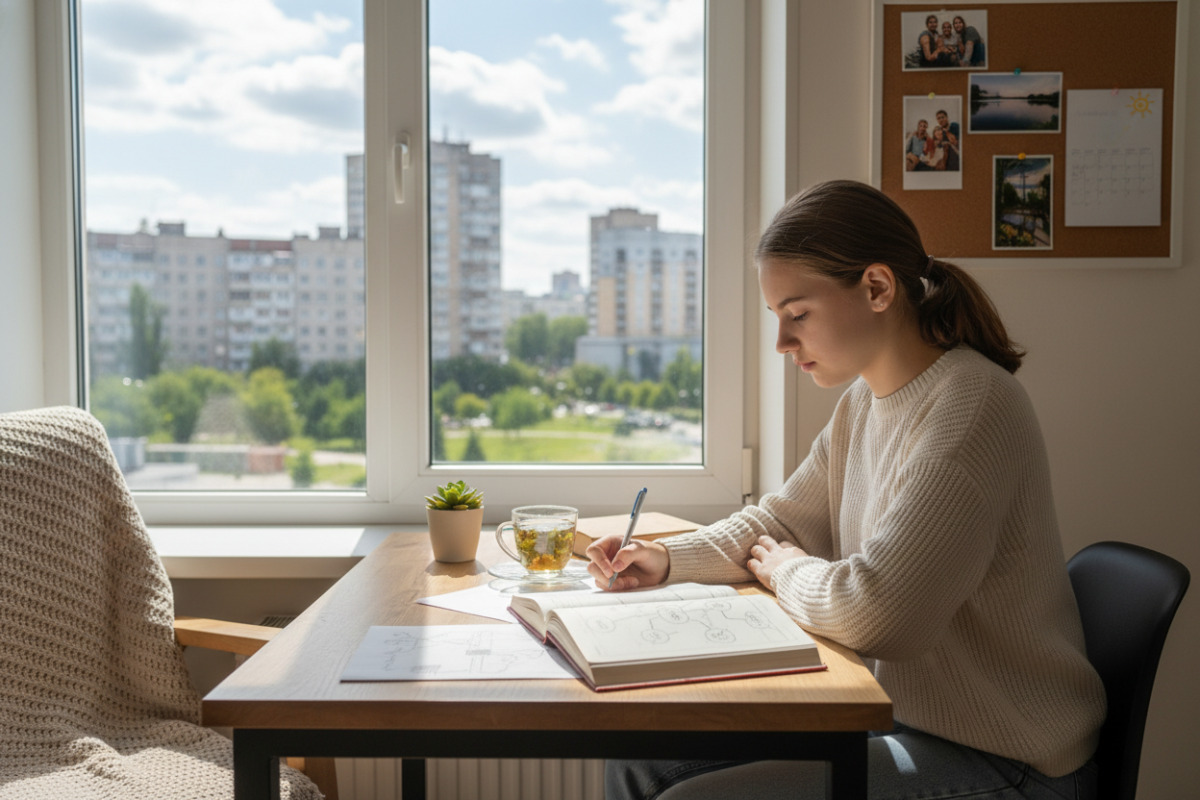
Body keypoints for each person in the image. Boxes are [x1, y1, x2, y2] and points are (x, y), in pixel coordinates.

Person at [587, 180, 1106, 800]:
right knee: (637, 759)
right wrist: (670, 558)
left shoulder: (973, 406)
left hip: (1008, 757)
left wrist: (789, 573)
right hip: (906, 724)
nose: (782, 342)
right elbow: (783, 523)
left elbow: (881, 614)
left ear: (878, 288)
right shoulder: (866, 401)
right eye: (777, 317)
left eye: (797, 314)